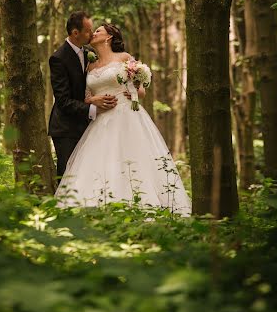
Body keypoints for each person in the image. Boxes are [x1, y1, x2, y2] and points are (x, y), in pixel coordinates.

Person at [55, 23, 191, 215]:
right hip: (100, 119)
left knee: (133, 158)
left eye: (98, 31)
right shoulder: (90, 64)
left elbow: (141, 89)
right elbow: (86, 97)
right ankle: (97, 205)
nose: (93, 34)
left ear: (109, 37)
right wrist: (94, 99)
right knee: (101, 160)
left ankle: (142, 204)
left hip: (127, 115)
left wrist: (134, 93)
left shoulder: (125, 58)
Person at [48, 11, 118, 180]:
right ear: (75, 33)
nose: (92, 34)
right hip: (66, 129)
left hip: (87, 127)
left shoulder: (89, 53)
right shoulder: (58, 58)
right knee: (67, 177)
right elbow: (63, 101)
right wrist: (93, 107)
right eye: (88, 31)